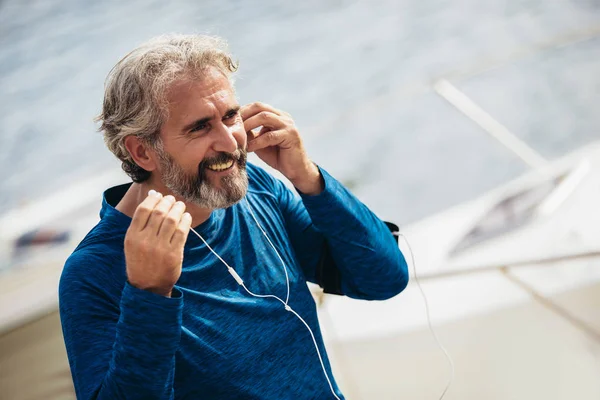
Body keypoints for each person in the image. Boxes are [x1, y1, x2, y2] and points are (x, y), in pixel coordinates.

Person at [58, 34, 409, 400]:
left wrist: (308, 178)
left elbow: (384, 280)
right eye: (200, 127)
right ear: (143, 151)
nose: (229, 142)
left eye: (230, 116)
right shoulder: (95, 271)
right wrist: (150, 294)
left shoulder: (256, 189)